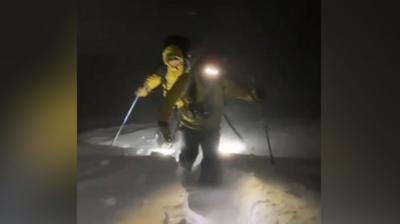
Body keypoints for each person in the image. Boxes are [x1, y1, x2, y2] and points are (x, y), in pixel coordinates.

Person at [157, 54, 258, 185]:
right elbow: (169, 100)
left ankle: (207, 187)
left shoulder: (220, 81)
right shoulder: (186, 80)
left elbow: (236, 90)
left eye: (215, 69)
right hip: (190, 127)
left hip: (211, 128)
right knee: (189, 153)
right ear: (199, 67)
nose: (211, 73)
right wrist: (163, 122)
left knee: (211, 157)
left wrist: (253, 95)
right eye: (208, 69)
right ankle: (182, 177)